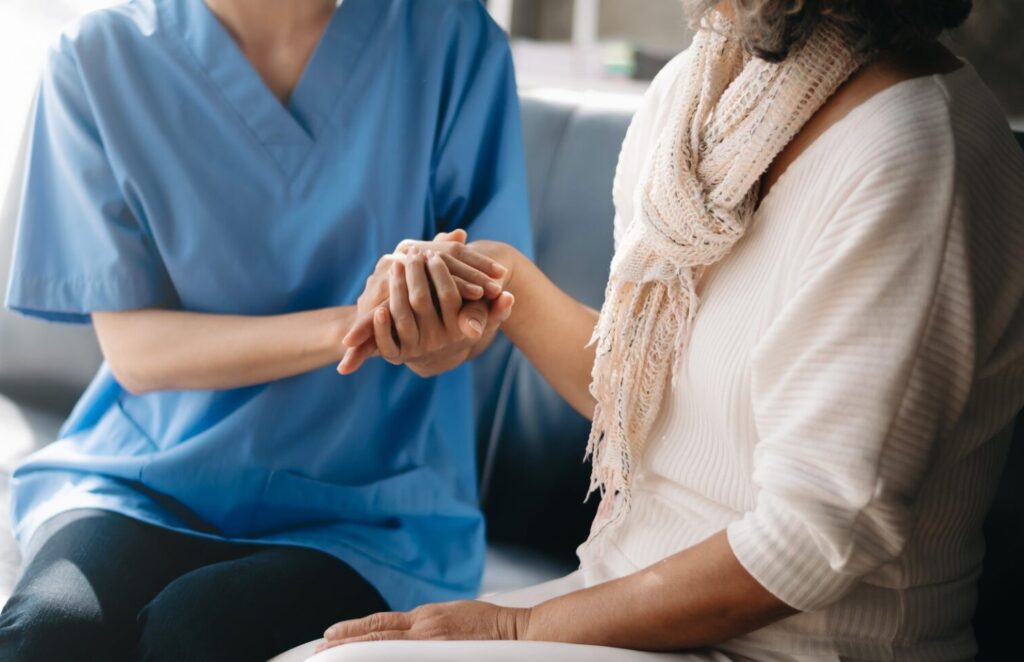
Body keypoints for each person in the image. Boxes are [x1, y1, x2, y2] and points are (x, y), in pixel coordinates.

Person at [313, 0, 1024, 660]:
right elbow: (656, 400)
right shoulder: (700, 87)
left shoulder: (917, 149)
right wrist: (501, 281)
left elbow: (812, 539)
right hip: (620, 602)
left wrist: (516, 627)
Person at [0, 0, 530, 660]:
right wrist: (357, 323)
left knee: (195, 635)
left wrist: (431, 328)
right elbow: (137, 353)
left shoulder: (451, 40)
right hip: (143, 478)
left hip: (369, 507)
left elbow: (481, 318)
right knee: (50, 631)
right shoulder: (97, 56)